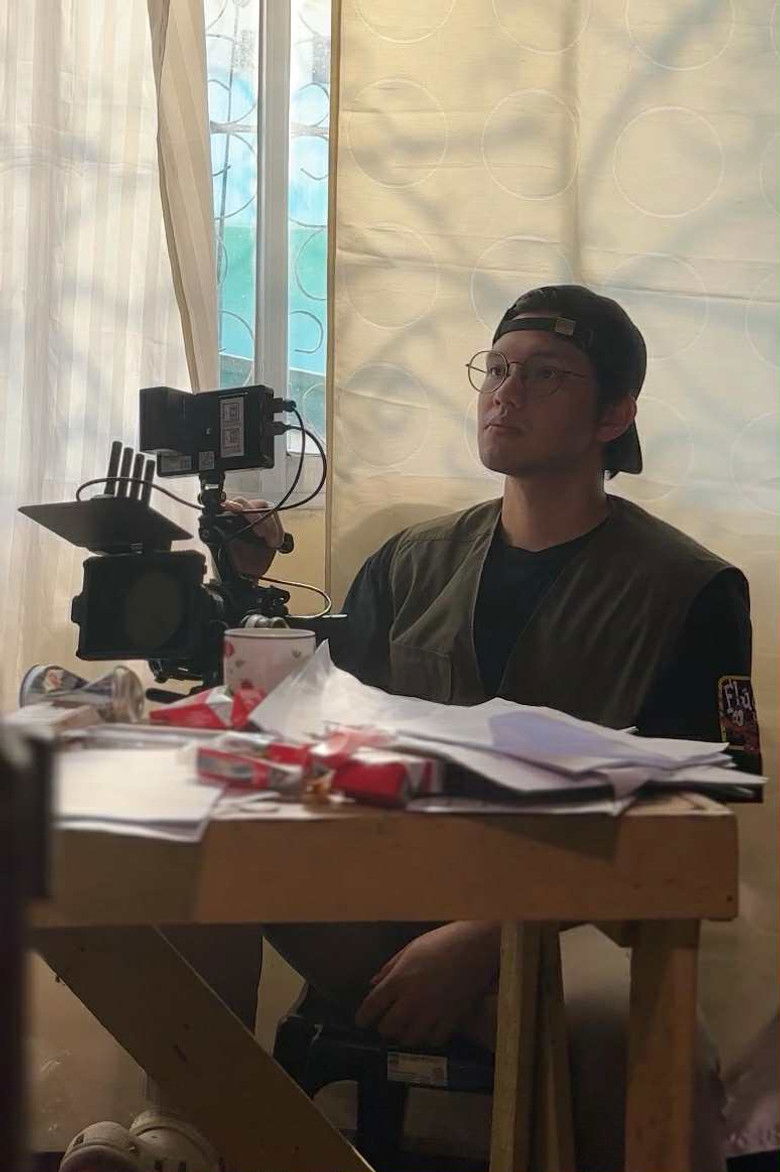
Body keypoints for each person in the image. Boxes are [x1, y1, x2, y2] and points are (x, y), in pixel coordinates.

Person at [61, 286, 761, 1171]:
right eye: (496, 369)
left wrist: (487, 935)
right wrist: (240, 593)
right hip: (389, 891)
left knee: (642, 1047)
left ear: (614, 415)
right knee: (199, 858)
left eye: (546, 374)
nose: (506, 392)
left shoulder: (690, 590)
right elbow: (316, 729)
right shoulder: (412, 561)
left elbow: (697, 815)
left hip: (573, 924)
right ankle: (184, 1134)